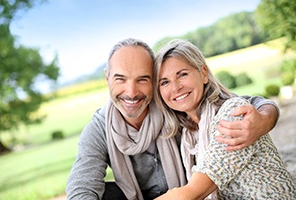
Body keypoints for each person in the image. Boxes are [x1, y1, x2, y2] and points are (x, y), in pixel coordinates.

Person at [66, 38, 280, 200]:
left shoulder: (171, 106)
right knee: (107, 193)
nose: (131, 92)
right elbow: (81, 187)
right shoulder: (99, 129)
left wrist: (264, 118)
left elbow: (246, 103)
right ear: (107, 78)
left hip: (187, 193)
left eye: (142, 79)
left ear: (153, 81)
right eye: (120, 79)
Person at [153, 39, 296, 199]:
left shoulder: (232, 115)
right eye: (164, 82)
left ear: (204, 74)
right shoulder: (189, 134)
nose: (175, 87)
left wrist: (267, 115)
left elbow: (194, 192)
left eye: (183, 74)